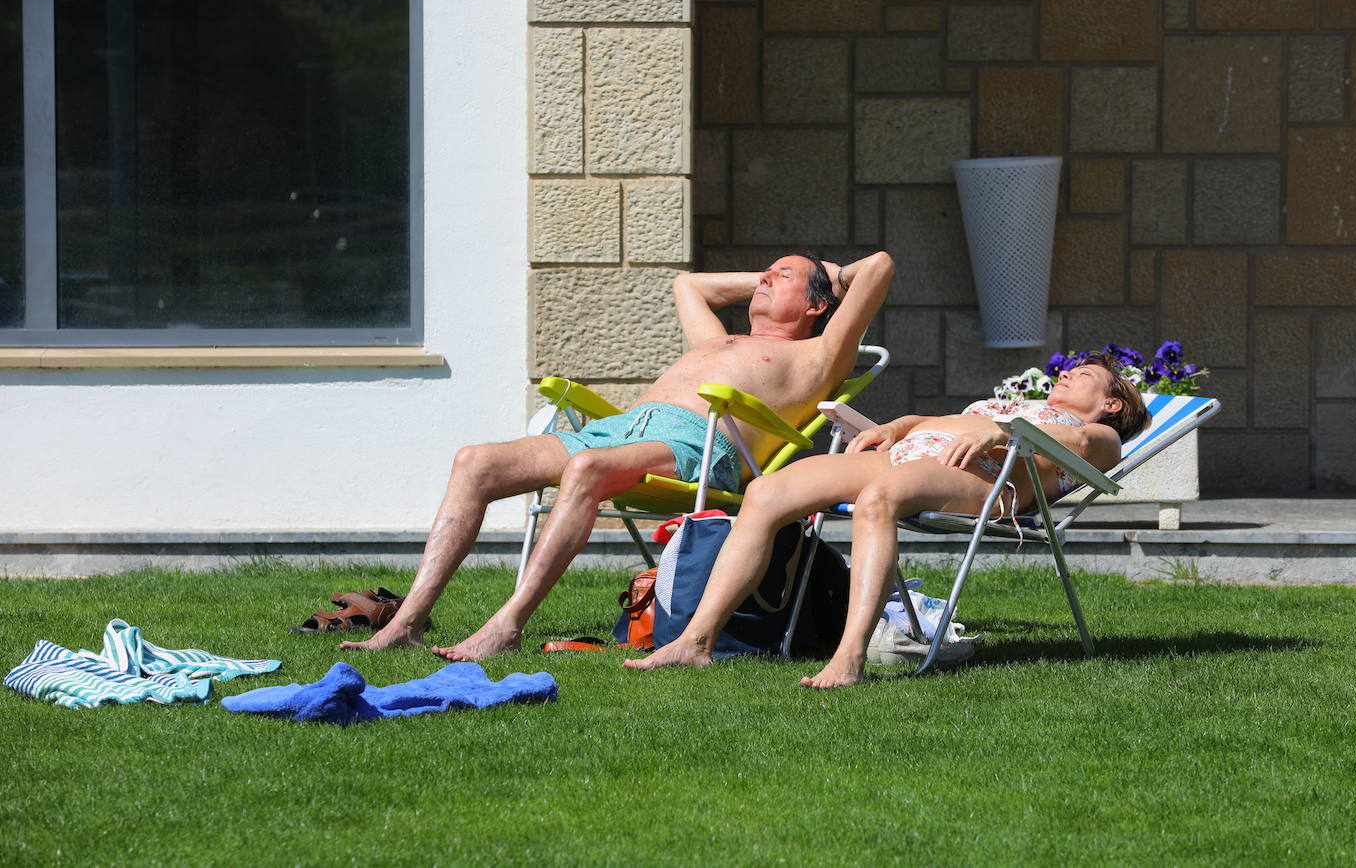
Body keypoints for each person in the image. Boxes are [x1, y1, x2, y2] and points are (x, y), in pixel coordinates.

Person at [342, 250, 895, 659]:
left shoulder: (820, 354)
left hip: (698, 444)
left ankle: (507, 625)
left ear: (819, 304)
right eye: (764, 273)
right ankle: (408, 621)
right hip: (624, 428)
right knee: (475, 460)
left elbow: (879, 267)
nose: (765, 278)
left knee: (585, 469)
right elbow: (689, 285)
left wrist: (832, 275)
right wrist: (775, 278)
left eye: (784, 275)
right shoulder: (715, 339)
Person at [626, 352, 1149, 688]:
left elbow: (1078, 446)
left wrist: (997, 430)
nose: (1065, 374)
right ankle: (695, 642)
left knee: (878, 498)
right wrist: (898, 425)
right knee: (766, 491)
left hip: (989, 477)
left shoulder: (1098, 434)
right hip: (914, 453)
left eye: (1082, 375)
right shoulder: (1016, 403)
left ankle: (848, 657)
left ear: (1110, 402)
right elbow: (941, 421)